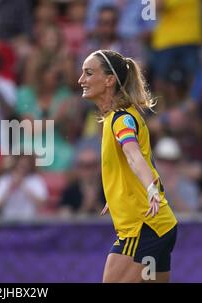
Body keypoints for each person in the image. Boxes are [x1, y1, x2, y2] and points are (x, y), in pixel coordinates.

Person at [78, 49, 178, 282]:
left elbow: (133, 155)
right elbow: (128, 163)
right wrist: (117, 196)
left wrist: (150, 188)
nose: (81, 80)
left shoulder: (121, 119)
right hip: (158, 226)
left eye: (89, 73)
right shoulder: (120, 116)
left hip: (143, 229)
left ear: (109, 80)